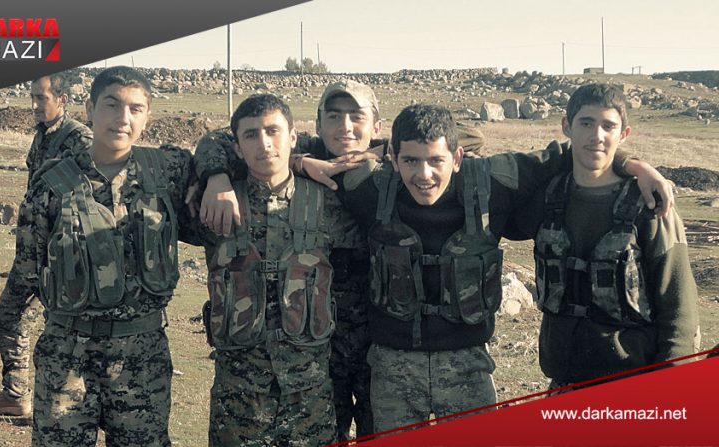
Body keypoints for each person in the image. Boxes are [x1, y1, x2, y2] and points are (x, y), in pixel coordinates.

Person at [195, 100, 672, 433]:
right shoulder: (367, 185)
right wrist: (285, 164)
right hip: (392, 368)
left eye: (436, 161)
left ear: (458, 157)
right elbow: (258, 148)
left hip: (467, 366)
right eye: (410, 161)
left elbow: (579, 148)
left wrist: (635, 165)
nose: (424, 174)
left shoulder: (493, 181)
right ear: (392, 158)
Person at [9, 66, 192, 446]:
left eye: (136, 109)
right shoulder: (51, 184)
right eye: (112, 105)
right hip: (67, 358)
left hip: (141, 359)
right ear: (90, 109)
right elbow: (28, 272)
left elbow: (235, 151)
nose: (123, 118)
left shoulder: (167, 172)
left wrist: (222, 179)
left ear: (148, 116)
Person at [195, 80, 385, 441]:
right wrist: (216, 177)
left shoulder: (387, 172)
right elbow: (218, 140)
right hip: (268, 381)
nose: (345, 127)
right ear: (317, 126)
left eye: (356, 116)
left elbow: (450, 146)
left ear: (376, 125)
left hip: (363, 350)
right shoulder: (230, 198)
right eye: (334, 116)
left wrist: (385, 152)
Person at [509, 83, 699, 391]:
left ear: (623, 134)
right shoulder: (548, 198)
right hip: (563, 385)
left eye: (608, 126)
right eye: (586, 123)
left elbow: (678, 309)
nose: (597, 135)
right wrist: (630, 162)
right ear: (567, 127)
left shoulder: (650, 205)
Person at [0, 73, 93, 417]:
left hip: (60, 260)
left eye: (41, 98)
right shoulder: (42, 135)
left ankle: (66, 411)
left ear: (62, 100)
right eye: (32, 97)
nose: (33, 105)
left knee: (65, 336)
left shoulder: (80, 139)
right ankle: (16, 394)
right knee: (8, 318)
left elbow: (92, 201)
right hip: (30, 256)